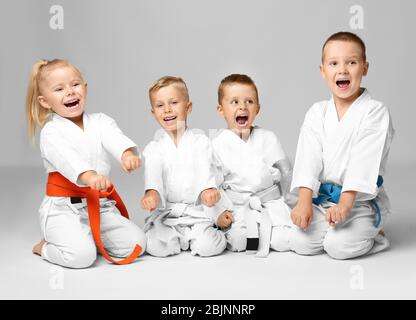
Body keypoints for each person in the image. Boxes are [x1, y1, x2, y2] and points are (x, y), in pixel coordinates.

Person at [27, 59, 146, 268]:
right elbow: (68, 159)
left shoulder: (100, 121)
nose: (70, 92)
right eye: (59, 88)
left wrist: (127, 155)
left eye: (75, 84)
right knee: (82, 258)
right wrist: (91, 177)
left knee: (137, 243)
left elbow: (115, 139)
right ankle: (44, 247)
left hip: (98, 204)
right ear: (45, 101)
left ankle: (88, 238)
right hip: (64, 208)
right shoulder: (51, 132)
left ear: (85, 88)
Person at [290, 32, 394, 259]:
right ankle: (330, 224)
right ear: (322, 71)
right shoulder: (317, 112)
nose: (343, 70)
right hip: (325, 201)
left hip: (358, 202)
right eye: (334, 63)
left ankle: (374, 232)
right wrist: (304, 202)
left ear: (365, 68)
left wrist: (345, 206)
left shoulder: (374, 111)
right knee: (300, 243)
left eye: (352, 62)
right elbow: (309, 159)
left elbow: (362, 162)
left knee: (338, 247)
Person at [140, 76, 227, 257]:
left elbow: (205, 167)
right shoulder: (154, 148)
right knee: (156, 246)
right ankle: (178, 238)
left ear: (188, 107)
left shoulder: (200, 142)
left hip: (197, 212)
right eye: (160, 105)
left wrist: (207, 190)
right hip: (168, 214)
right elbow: (153, 174)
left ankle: (214, 232)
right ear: (153, 112)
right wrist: (152, 193)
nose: (167, 110)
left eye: (173, 102)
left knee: (207, 247)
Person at [212, 74, 296, 257]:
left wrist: (295, 204)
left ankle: (272, 231)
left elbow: (286, 172)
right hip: (239, 207)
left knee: (284, 241)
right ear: (221, 110)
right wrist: (219, 212)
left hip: (270, 203)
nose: (242, 106)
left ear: (257, 109)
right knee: (242, 241)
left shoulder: (268, 138)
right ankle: (249, 234)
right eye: (234, 102)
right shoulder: (217, 145)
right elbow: (214, 185)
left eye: (249, 101)